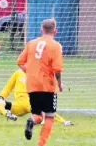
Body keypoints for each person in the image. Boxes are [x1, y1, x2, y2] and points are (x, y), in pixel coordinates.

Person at [17, 18, 63, 146]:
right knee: (49, 116)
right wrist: (59, 84)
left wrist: (30, 73)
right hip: (47, 85)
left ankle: (31, 120)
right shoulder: (56, 46)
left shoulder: (31, 43)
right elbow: (57, 69)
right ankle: (40, 144)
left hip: (32, 85)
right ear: (55, 31)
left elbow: (20, 62)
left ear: (41, 30)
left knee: (37, 114)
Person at [0, 69, 73, 126]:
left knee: (43, 112)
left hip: (30, 102)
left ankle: (62, 121)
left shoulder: (38, 74)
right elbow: (8, 87)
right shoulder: (18, 73)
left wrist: (57, 85)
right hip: (17, 105)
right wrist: (1, 97)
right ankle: (7, 113)